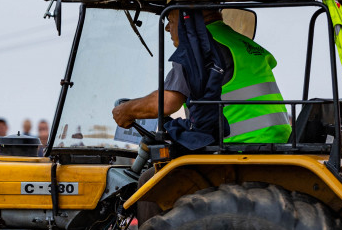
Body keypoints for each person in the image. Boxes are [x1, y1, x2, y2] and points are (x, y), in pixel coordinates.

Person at [112, 8, 290, 149]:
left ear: (187, 16)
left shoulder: (198, 48)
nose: (167, 27)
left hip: (239, 144)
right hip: (279, 140)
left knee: (147, 178)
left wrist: (126, 110)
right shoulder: (241, 43)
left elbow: (167, 102)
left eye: (170, 19)